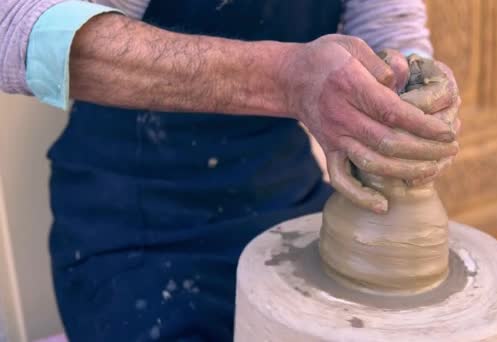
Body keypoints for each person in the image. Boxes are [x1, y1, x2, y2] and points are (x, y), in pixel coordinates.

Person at [0, 0, 461, 340]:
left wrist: (406, 91)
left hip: (280, 189)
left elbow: (386, 24)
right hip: (136, 217)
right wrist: (283, 80)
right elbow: (20, 26)